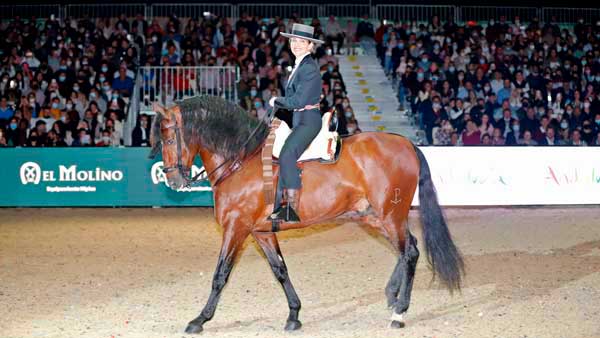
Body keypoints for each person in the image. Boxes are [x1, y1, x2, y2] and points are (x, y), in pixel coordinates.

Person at [267, 23, 323, 223]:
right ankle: (276, 204)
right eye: (294, 41)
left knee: (287, 153)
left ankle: (292, 207)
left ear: (310, 46)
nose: (296, 45)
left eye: (301, 42)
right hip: (298, 119)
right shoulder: (300, 65)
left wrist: (277, 100)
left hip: (308, 121)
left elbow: (299, 101)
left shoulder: (308, 68)